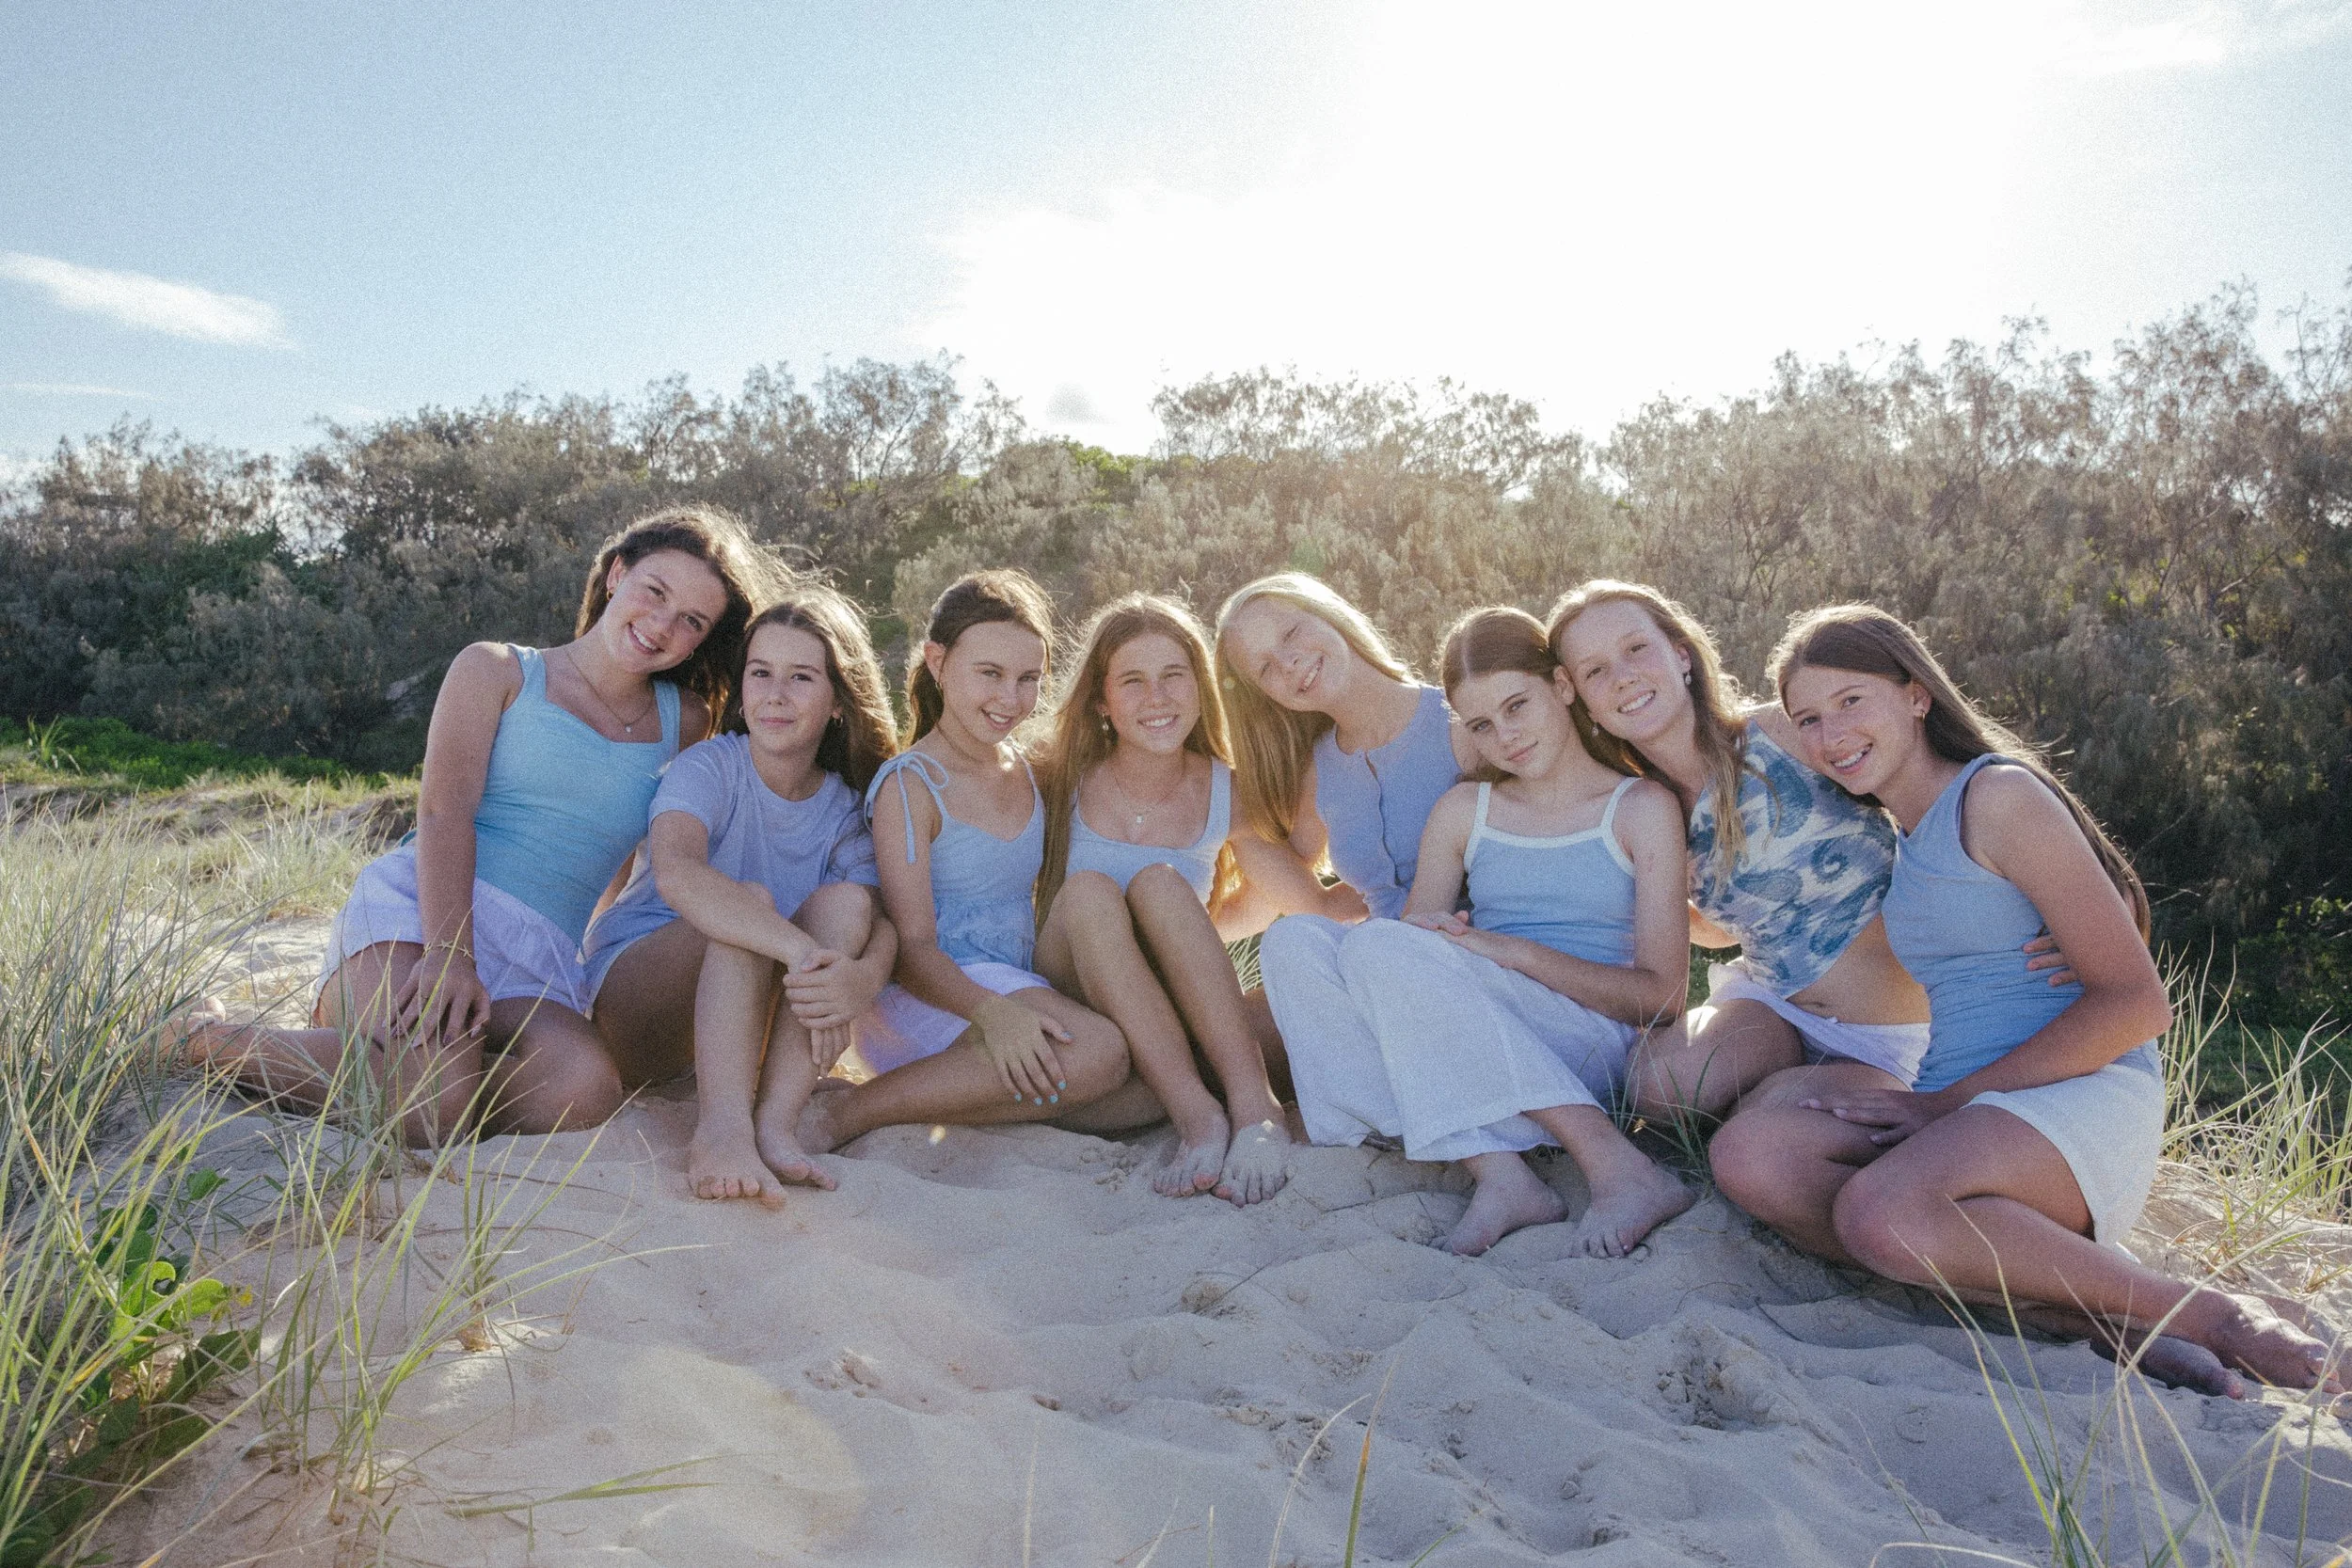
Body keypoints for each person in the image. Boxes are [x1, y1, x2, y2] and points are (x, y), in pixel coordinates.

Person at [1741, 604, 2335, 1396]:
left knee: (1879, 1215)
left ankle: (2216, 1317)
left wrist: (1945, 1103)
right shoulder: (1900, 837)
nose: (1830, 732)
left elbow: (2136, 1005)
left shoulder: (1998, 797)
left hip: (2072, 1102)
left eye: (1852, 700)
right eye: (1808, 718)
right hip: (1969, 1116)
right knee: (1756, 1158)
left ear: (1916, 694)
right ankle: (2095, 1317)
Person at [191, 506, 777, 1143]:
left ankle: (401, 1071)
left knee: (583, 1088)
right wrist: (450, 957)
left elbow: (628, 854)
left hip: (542, 954)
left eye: (691, 620)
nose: (662, 625)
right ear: (616, 574)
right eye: (654, 591)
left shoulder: (686, 721)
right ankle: (203, 1039)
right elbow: (445, 813)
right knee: (427, 1106)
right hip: (427, 916)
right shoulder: (496, 669)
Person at [1548, 580, 2064, 1122]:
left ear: (1681, 654)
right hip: (1774, 1010)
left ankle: (1782, 1103)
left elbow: (1950, 784)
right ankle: (1776, 1088)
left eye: (1636, 649)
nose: (1624, 676)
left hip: (1894, 1031)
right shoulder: (1644, 807)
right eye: (1595, 671)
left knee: (1779, 1142)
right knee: (1657, 1088)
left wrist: (2059, 897)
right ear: (1580, 699)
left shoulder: (1784, 732)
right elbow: (1733, 922)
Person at [1279, 608, 1695, 1257]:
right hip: (1479, 1034)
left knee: (1379, 943)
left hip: (1584, 1045)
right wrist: (1455, 948)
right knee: (1293, 943)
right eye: (1481, 724)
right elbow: (1407, 953)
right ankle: (1499, 1172)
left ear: (1561, 686)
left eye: (1517, 705)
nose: (1505, 735)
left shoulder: (1639, 807)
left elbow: (1664, 999)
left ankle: (1617, 1166)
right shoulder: (1465, 809)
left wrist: (1514, 953)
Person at [795, 570, 1139, 1155]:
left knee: (1145, 1092)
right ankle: (851, 1110)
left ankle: (974, 1098)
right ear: (937, 661)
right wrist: (994, 1014)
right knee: (1102, 1053)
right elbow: (912, 949)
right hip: (935, 996)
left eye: (1028, 679)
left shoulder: (1028, 768)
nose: (1010, 699)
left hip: (1018, 984)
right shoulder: (912, 785)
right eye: (989, 674)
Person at [580, 586, 901, 1204]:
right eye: (761, 673)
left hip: (740, 1027)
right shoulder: (711, 767)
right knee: (744, 901)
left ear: (839, 701)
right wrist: (800, 952)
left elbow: (877, 920)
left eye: (801, 676)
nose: (775, 694)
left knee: (848, 906)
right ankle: (721, 1131)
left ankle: (776, 1123)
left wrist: (858, 979)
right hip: (638, 1001)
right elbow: (678, 873)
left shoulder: (843, 807)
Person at [1031, 594, 1292, 1205]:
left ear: (1200, 687)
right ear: (1101, 699)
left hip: (1169, 1011)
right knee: (1093, 892)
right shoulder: (1055, 775)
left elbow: (1289, 898)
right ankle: (1198, 1116)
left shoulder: (1225, 787)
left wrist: (1196, 938)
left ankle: (1256, 1108)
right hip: (1076, 1000)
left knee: (1160, 884)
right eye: (1134, 680)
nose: (1158, 697)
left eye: (1174, 675)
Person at [1212, 574, 1480, 1103]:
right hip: (1375, 973)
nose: (1288, 662)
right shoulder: (1319, 770)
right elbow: (1296, 904)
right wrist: (1179, 934)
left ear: (1330, 614)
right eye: (1265, 666)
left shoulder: (1458, 721)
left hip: (1476, 961)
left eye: (1291, 632)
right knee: (1225, 1035)